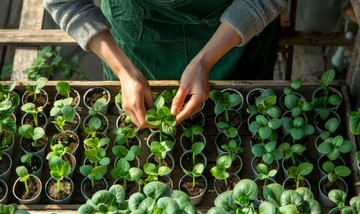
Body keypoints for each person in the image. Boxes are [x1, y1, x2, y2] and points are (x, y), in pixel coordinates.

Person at [42, 0, 288, 128]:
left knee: (239, 111)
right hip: (140, 32)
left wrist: (205, 59)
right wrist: (124, 71)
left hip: (233, 30)